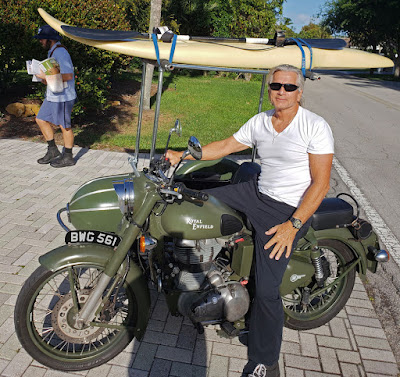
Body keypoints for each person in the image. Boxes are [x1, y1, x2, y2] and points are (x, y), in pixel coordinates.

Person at [166, 64, 334, 377]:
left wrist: (293, 225)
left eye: (289, 87)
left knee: (267, 290)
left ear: (300, 92)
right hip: (256, 193)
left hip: (286, 210)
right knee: (194, 200)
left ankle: (266, 362)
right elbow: (225, 147)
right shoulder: (261, 122)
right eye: (276, 86)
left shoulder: (314, 126)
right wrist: (182, 156)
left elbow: (321, 184)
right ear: (269, 88)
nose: (281, 92)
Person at [34, 25, 77, 168]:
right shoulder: (52, 52)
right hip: (53, 95)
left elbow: (68, 75)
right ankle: (53, 150)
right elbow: (55, 76)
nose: (40, 42)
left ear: (50, 39)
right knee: (40, 119)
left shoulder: (61, 53)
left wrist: (45, 75)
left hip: (63, 97)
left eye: (42, 39)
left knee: (64, 126)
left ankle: (68, 156)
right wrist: (42, 78)